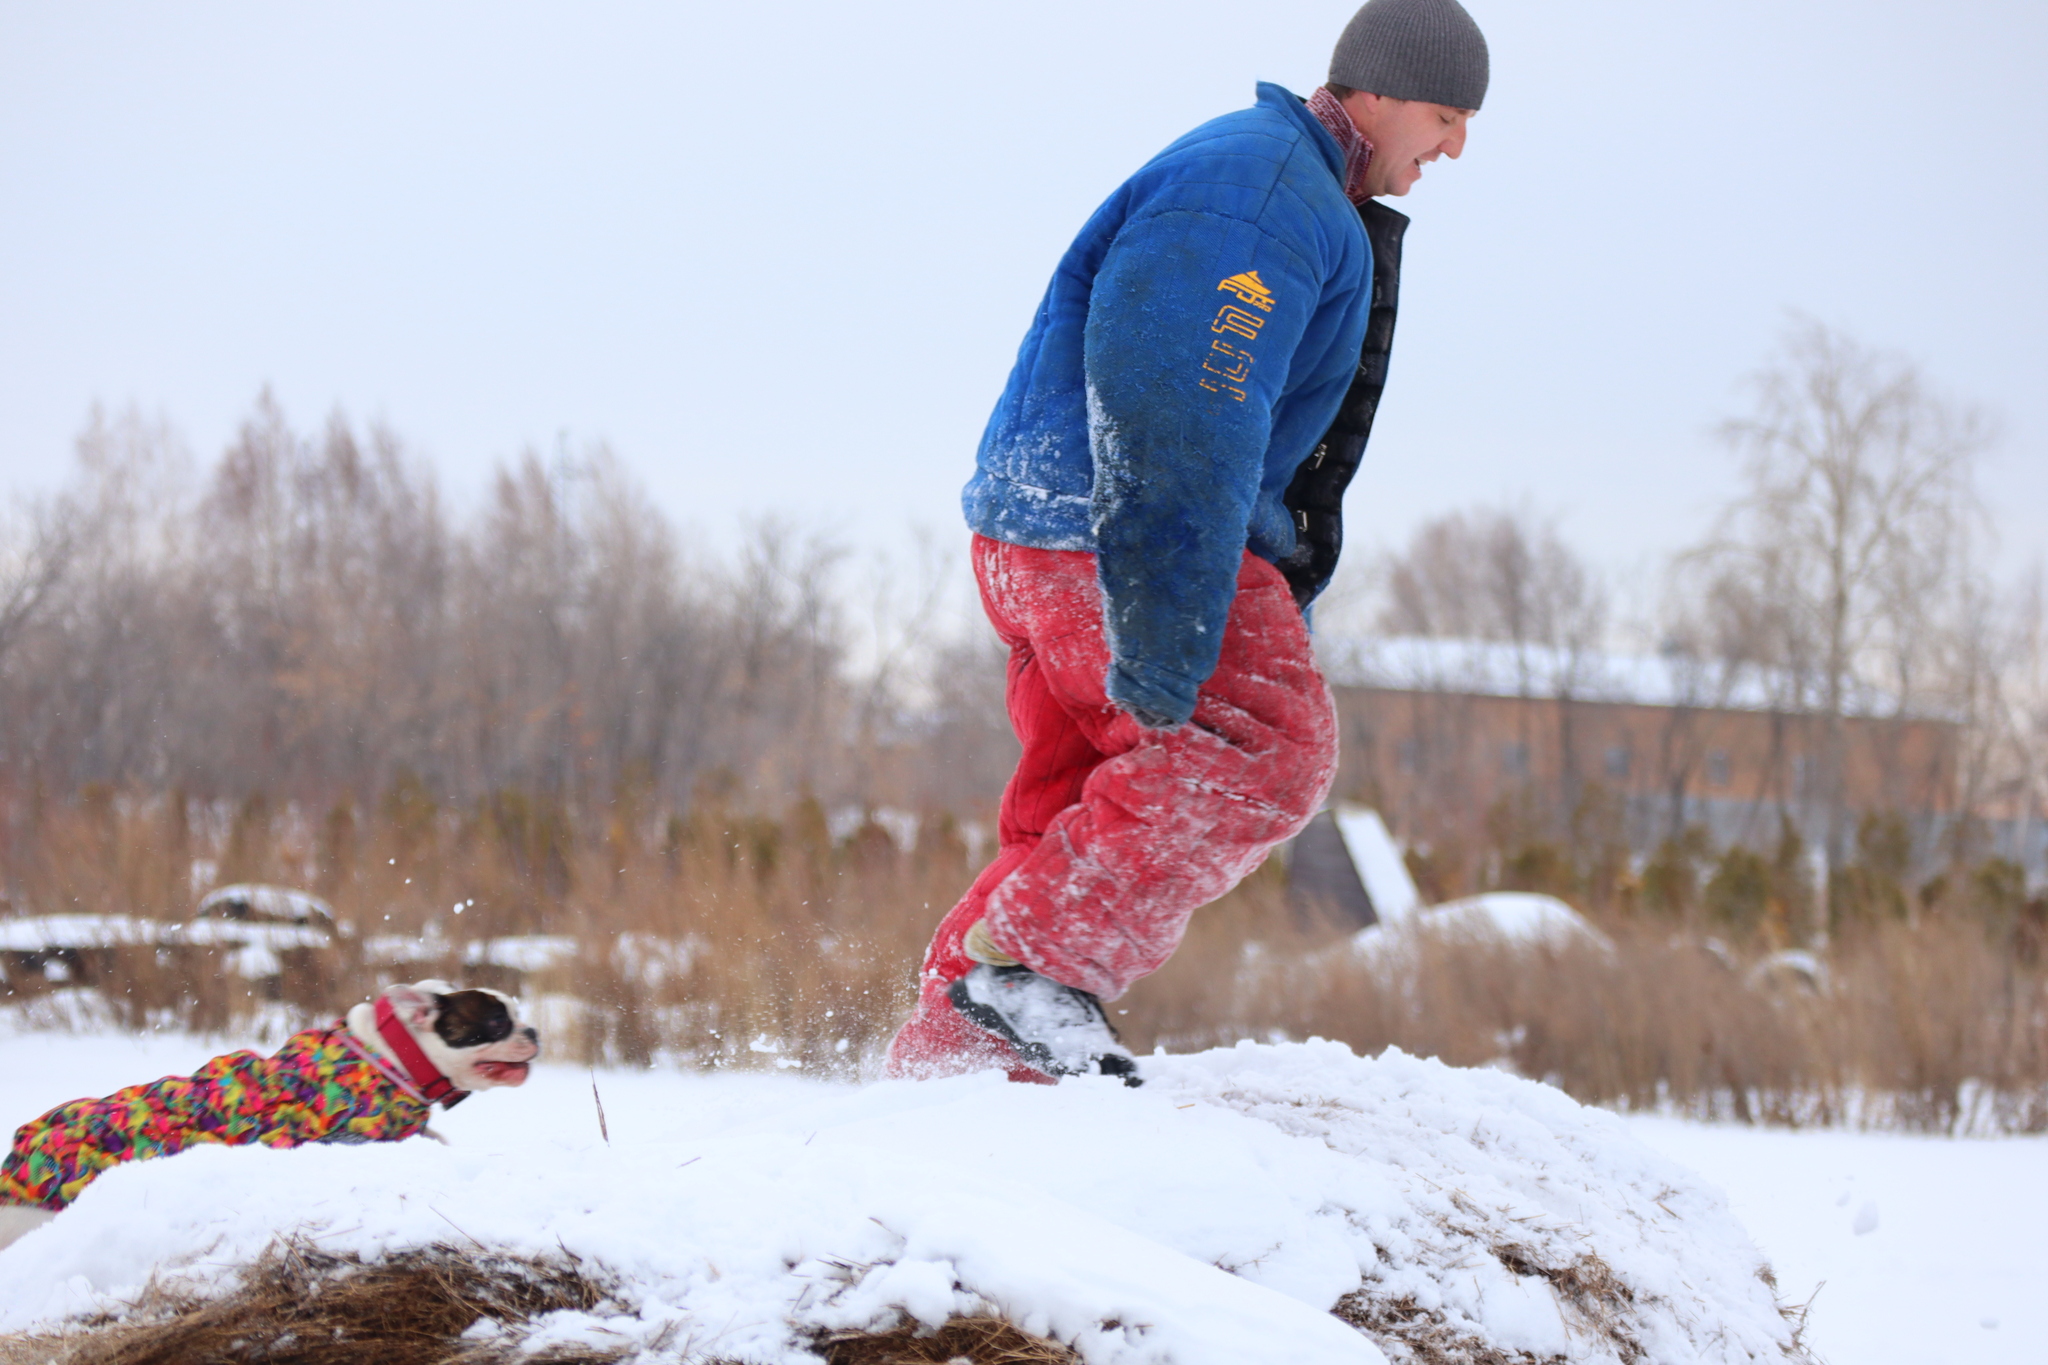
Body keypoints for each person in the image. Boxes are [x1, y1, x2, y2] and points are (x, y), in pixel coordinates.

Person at [885, 0, 1489, 1085]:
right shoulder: (1260, 196)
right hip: (1113, 530)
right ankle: (1028, 971)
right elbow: (1179, 403)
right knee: (1261, 746)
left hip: (1054, 532)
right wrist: (1168, 621)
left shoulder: (1287, 188)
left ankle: (955, 1071)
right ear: (1381, 90)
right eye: (1445, 115)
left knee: (1085, 815)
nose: (1454, 147)